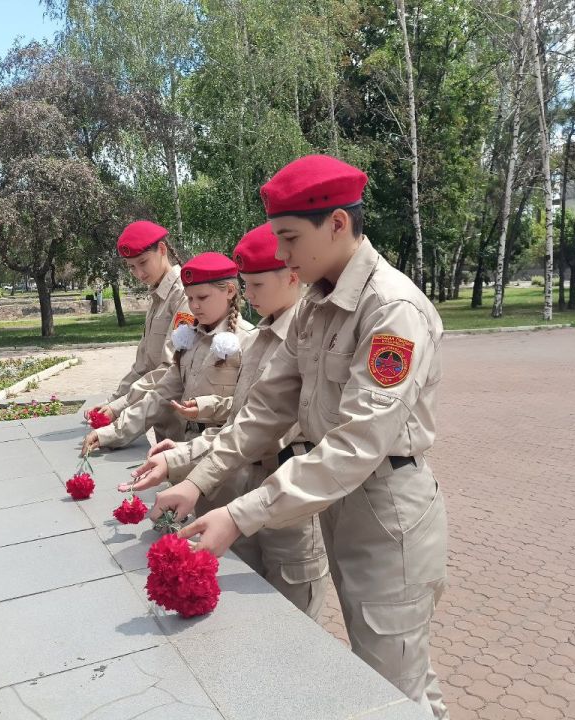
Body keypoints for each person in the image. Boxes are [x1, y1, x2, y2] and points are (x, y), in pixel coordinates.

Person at [150, 155, 450, 719]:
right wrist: (200, 480)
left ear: (337, 224)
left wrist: (241, 514)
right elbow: (265, 408)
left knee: (392, 678)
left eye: (289, 238)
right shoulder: (317, 304)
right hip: (338, 500)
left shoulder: (392, 310)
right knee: (391, 670)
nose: (282, 255)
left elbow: (358, 443)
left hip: (387, 509)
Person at [124, 223, 329, 619]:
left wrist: (188, 465)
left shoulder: (298, 335)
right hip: (246, 479)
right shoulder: (266, 337)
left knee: (295, 615)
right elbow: (243, 417)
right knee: (251, 607)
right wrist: (185, 461)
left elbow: (261, 426)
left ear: (291, 275)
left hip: (292, 488)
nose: (248, 296)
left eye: (255, 285)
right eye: (245, 285)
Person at [82, 252, 254, 454]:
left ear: (230, 291)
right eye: (190, 298)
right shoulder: (189, 341)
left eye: (202, 297)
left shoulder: (249, 340)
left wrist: (207, 407)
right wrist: (109, 433)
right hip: (184, 448)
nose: (194, 306)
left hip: (226, 453)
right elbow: (158, 397)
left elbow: (253, 408)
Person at [85, 221, 191, 442]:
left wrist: (120, 406)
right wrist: (111, 401)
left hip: (183, 418)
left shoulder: (184, 295)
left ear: (162, 250)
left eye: (143, 262)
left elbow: (171, 365)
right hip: (161, 417)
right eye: (131, 267)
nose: (139, 273)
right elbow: (142, 365)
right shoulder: (157, 296)